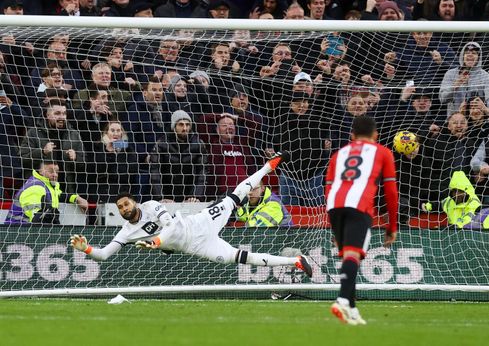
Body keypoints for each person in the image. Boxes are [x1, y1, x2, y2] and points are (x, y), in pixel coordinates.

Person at [69, 154, 313, 278]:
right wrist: (86, 249)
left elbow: (170, 226)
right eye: (120, 207)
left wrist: (156, 242)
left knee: (234, 197)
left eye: (126, 203)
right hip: (196, 245)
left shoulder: (152, 205)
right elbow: (103, 255)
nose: (124, 209)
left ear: (134, 201)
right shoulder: (126, 232)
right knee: (239, 258)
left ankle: (269, 166)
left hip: (199, 221)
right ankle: (296, 262)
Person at [326, 116, 398, 325]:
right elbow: (391, 192)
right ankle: (341, 300)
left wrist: (334, 224)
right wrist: (391, 226)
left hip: (334, 205)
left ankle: (352, 309)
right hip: (360, 205)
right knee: (352, 254)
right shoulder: (383, 152)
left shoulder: (338, 154)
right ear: (376, 135)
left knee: (349, 256)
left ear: (352, 136)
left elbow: (329, 187)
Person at [4, 161, 88, 224]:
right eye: (51, 171)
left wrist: (76, 198)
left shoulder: (48, 185)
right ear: (40, 171)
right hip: (18, 233)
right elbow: (36, 220)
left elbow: (58, 195)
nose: (55, 175)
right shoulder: (36, 188)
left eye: (57, 172)